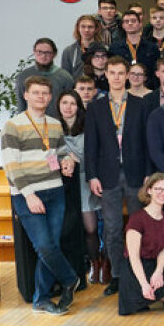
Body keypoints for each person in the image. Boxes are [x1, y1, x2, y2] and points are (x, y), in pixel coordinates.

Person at [1, 76, 82, 315]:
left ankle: (41, 299)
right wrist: (28, 195)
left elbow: (60, 151)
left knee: (52, 245)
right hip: (28, 195)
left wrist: (67, 161)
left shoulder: (54, 124)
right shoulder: (13, 125)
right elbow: (11, 166)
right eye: (36, 93)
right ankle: (70, 279)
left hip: (55, 191)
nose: (41, 97)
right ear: (26, 95)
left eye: (45, 94)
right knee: (44, 246)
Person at [85, 56, 151, 296]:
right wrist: (92, 175)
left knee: (136, 228)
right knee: (112, 229)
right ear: (107, 75)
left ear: (127, 76)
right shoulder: (95, 107)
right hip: (107, 175)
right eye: (111, 72)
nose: (116, 77)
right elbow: (90, 145)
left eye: (120, 73)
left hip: (136, 174)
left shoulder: (140, 104)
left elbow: (147, 142)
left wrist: (148, 174)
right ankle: (117, 275)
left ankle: (137, 274)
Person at [118, 174, 164, 314]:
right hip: (137, 271)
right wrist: (144, 284)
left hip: (154, 264)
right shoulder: (137, 219)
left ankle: (158, 288)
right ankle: (145, 295)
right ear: (149, 190)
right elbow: (133, 258)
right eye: (158, 189)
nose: (162, 193)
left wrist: (158, 272)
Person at [56, 90, 89, 287]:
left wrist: (75, 160)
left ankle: (88, 263)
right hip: (61, 182)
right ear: (58, 105)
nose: (68, 107)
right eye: (64, 103)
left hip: (83, 179)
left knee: (88, 226)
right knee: (65, 227)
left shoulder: (88, 126)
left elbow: (93, 153)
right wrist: (63, 161)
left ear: (79, 106)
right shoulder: (51, 126)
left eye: (72, 103)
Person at [16, 38, 75, 118]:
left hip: (57, 125)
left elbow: (70, 104)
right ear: (34, 52)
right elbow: (21, 105)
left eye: (47, 52)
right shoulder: (23, 76)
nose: (43, 56)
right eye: (39, 52)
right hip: (31, 124)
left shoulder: (64, 77)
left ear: (54, 54)